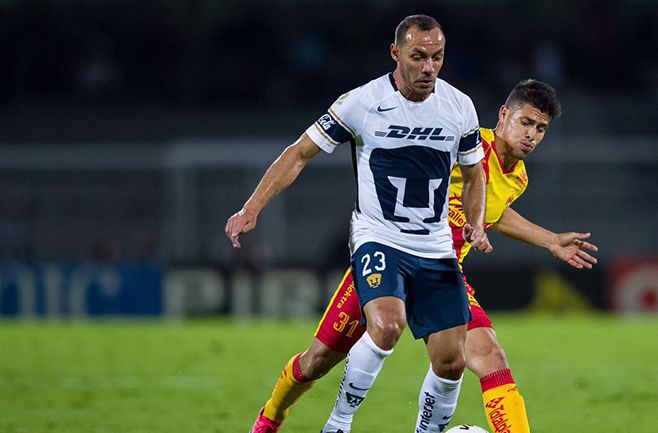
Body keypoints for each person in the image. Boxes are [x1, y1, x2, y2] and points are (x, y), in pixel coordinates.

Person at [249, 79, 599, 433]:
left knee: (487, 359)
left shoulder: (518, 178)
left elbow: (495, 212)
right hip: (394, 255)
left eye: (541, 129)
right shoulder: (462, 141)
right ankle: (271, 417)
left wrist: (550, 240)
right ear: (504, 114)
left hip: (444, 273)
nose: (532, 135)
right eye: (526, 122)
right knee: (317, 361)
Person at [226, 14, 493, 433]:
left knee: (452, 360)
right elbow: (298, 153)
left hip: (435, 248)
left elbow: (476, 176)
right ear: (395, 53)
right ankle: (331, 423)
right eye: (418, 56)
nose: (428, 67)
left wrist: (475, 224)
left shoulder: (459, 106)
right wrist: (252, 207)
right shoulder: (362, 102)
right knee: (384, 327)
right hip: (378, 240)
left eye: (437, 57)